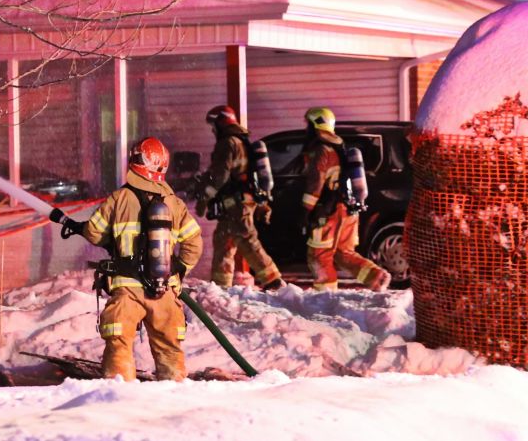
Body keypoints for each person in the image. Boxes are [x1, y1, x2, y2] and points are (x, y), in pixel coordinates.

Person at [49, 136, 203, 381]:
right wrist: (177, 272)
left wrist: (97, 233)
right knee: (170, 350)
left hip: (128, 290)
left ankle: (119, 396)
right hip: (165, 290)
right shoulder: (174, 204)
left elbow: (94, 233)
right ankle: (174, 396)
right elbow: (194, 244)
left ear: (136, 162)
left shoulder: (120, 198)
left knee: (119, 347)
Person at [301, 107, 390, 291]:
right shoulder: (339, 148)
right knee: (343, 253)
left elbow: (315, 184)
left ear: (316, 125)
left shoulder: (322, 151)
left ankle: (325, 296)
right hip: (348, 209)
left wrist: (305, 210)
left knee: (319, 255)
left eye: (308, 124)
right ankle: (376, 277)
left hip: (330, 213)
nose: (306, 129)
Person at [195, 105, 283, 290]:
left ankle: (272, 281)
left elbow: (220, 176)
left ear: (221, 122)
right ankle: (222, 287)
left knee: (244, 240)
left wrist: (205, 197)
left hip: (236, 202)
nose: (212, 130)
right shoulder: (241, 141)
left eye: (213, 125)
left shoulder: (228, 143)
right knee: (226, 240)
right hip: (239, 201)